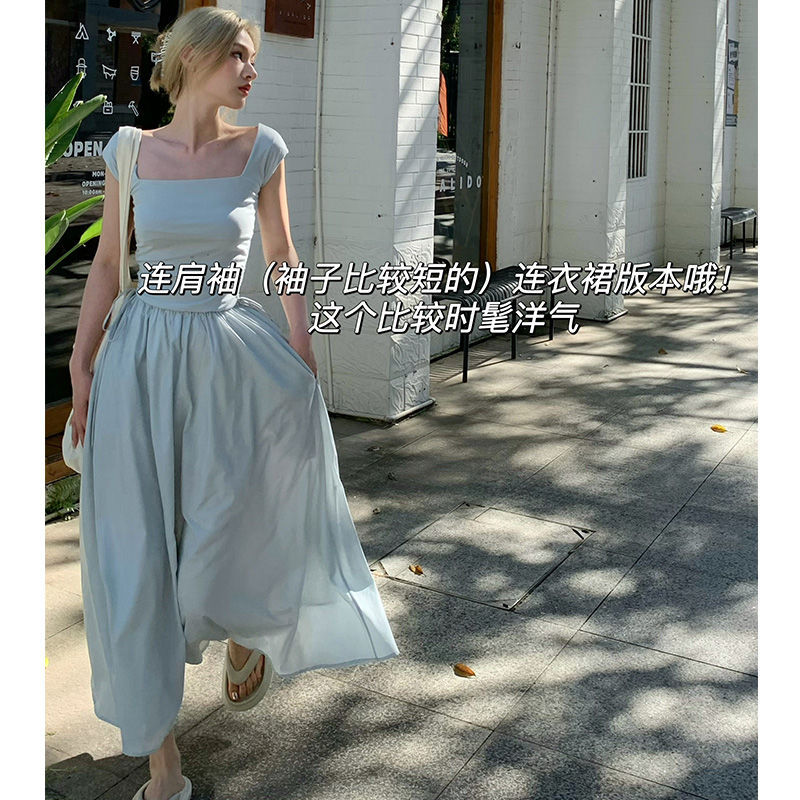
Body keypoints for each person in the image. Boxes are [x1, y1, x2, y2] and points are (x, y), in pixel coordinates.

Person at [68, 8, 400, 800]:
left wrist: (303, 348)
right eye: (239, 58)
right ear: (194, 60)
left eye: (252, 59)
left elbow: (282, 254)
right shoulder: (128, 150)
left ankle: (244, 618)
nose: (252, 72)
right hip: (140, 360)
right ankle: (164, 766)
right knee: (136, 557)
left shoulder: (262, 149)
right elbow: (111, 263)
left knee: (223, 522)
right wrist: (81, 368)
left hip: (226, 353)